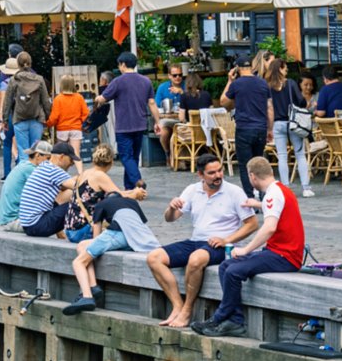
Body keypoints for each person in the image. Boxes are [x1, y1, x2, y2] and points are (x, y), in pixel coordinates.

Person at [193, 155, 306, 337]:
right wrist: (258, 205)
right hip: (278, 253)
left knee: (234, 271)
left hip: (285, 256)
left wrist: (246, 249)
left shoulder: (272, 195)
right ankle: (235, 321)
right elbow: (277, 207)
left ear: (252, 176)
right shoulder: (279, 191)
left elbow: (269, 228)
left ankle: (219, 318)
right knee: (226, 266)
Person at [146, 150, 260, 329]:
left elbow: (252, 224)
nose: (218, 176)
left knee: (196, 259)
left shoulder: (234, 192)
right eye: (212, 173)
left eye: (220, 171)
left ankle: (187, 310)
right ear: (200, 175)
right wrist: (170, 207)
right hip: (196, 241)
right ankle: (177, 305)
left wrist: (226, 240)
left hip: (221, 245)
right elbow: (170, 218)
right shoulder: (193, 190)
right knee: (154, 257)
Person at [64, 182, 161, 315]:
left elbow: (96, 235)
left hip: (117, 232)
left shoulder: (101, 204)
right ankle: (93, 286)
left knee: (78, 262)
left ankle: (86, 297)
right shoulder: (132, 202)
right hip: (137, 240)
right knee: (82, 246)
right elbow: (141, 224)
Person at [99, 52, 153, 189]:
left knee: (126, 157)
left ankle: (138, 180)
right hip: (140, 124)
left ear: (123, 64)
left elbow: (103, 98)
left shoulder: (118, 81)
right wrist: (157, 122)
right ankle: (130, 187)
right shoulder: (146, 81)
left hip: (123, 125)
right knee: (133, 157)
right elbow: (151, 103)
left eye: (119, 64)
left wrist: (96, 99)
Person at [16, 140, 80, 238]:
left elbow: (68, 186)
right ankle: (84, 235)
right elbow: (81, 187)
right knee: (79, 203)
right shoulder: (54, 170)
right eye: (71, 161)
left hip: (28, 225)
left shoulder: (44, 166)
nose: (72, 164)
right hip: (37, 225)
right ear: (62, 157)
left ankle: (64, 234)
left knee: (63, 199)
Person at [221, 52, 275, 167]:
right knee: (257, 165)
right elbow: (270, 108)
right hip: (260, 128)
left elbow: (223, 102)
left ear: (237, 68)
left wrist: (230, 81)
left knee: (245, 166)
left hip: (244, 129)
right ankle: (257, 185)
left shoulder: (236, 84)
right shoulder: (263, 84)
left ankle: (248, 186)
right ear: (251, 66)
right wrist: (270, 129)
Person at [270, 58, 314, 196]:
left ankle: (286, 188)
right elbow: (300, 101)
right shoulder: (290, 84)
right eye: (285, 68)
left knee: (282, 156)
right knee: (300, 155)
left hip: (277, 123)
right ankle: (306, 188)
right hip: (293, 122)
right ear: (280, 69)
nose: (287, 70)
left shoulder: (268, 86)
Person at [0, 49, 50, 161]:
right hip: (37, 119)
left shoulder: (14, 80)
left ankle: (25, 177)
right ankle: (36, 177)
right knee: (36, 152)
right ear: (31, 63)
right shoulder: (39, 79)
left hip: (19, 118)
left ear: (18, 64)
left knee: (23, 153)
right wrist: (47, 116)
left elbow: (7, 101)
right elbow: (45, 101)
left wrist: (4, 120)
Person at [0, 139, 50, 229]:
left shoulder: (23, 164)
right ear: (37, 155)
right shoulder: (31, 170)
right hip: (13, 221)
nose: (49, 162)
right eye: (48, 158)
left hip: (6, 219)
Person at [47, 76, 86, 153]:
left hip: (62, 129)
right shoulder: (79, 97)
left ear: (61, 85)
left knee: (61, 155)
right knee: (76, 154)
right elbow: (85, 114)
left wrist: (48, 124)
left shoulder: (58, 99)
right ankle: (79, 165)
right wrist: (80, 123)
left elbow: (54, 117)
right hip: (76, 129)